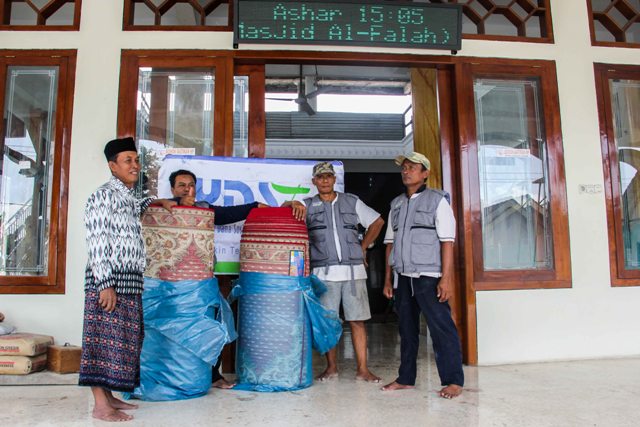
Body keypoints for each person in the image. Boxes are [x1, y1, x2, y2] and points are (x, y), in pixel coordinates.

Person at [79, 137, 173, 422]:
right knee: (101, 342)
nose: (134, 165)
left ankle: (109, 396)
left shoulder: (127, 197)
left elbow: (134, 209)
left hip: (129, 281)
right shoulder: (103, 196)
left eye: (135, 159)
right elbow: (96, 240)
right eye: (127, 161)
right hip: (110, 281)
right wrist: (104, 284)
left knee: (123, 341)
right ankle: (100, 405)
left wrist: (153, 201)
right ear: (112, 166)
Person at [166, 168, 267, 389]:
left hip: (202, 283)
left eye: (191, 184)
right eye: (181, 185)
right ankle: (176, 378)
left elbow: (234, 212)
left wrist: (264, 207)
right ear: (173, 188)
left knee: (212, 328)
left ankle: (213, 376)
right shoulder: (163, 208)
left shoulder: (205, 209)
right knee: (174, 332)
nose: (187, 189)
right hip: (171, 285)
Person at [287, 161, 384, 382]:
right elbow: (284, 209)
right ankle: (331, 368)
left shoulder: (351, 201)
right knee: (328, 323)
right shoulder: (308, 205)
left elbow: (377, 222)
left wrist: (362, 248)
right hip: (324, 274)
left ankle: (363, 370)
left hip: (353, 273)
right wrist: (292, 201)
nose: (324, 181)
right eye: (320, 177)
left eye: (328, 177)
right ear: (314, 181)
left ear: (334, 179)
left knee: (357, 321)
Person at [380, 152, 464, 399]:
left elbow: (447, 241)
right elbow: (389, 244)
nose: (406, 171)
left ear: (425, 173)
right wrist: (387, 279)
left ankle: (453, 381)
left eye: (412, 167)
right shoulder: (396, 204)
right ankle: (406, 378)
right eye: (404, 168)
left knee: (442, 328)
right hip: (403, 277)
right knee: (406, 330)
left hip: (429, 276)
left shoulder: (437, 200)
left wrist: (445, 279)